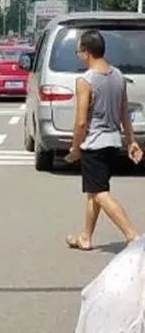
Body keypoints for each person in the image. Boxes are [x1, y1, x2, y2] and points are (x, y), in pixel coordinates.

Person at [66, 29, 143, 250]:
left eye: (79, 51)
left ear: (87, 52)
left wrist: (75, 147)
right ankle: (85, 237)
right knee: (94, 190)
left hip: (94, 143)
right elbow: (124, 112)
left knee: (100, 193)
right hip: (112, 142)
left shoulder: (85, 80)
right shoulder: (118, 75)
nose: (79, 54)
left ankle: (133, 235)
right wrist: (131, 141)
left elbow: (81, 122)